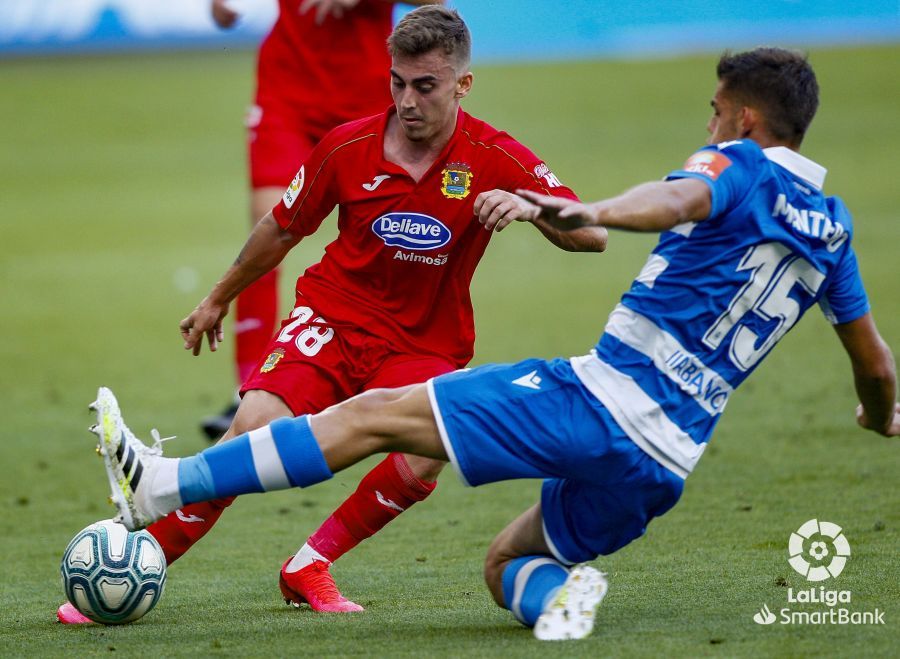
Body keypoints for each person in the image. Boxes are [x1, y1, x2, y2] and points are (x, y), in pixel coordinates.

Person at [84, 47, 899, 640]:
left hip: (598, 401)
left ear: (745, 120)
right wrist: (880, 414)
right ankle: (561, 601)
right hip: (668, 461)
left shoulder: (736, 164)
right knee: (507, 561)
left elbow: (678, 197)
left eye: (715, 110)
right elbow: (875, 364)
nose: (709, 122)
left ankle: (161, 485)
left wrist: (595, 210)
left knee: (371, 417)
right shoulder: (834, 231)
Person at [57, 5, 598, 625]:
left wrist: (535, 207)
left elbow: (593, 234)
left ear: (463, 84)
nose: (408, 101)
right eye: (398, 83)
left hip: (423, 341)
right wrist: (218, 297)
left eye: (425, 85)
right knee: (252, 427)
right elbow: (282, 228)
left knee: (429, 448)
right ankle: (142, 559)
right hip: (333, 317)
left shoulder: (494, 155)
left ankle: (310, 564)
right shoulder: (347, 144)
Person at [202, 0, 441, 438]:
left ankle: (378, 379)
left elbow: (439, 5)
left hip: (366, 99)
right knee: (271, 225)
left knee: (386, 241)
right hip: (287, 91)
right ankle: (249, 392)